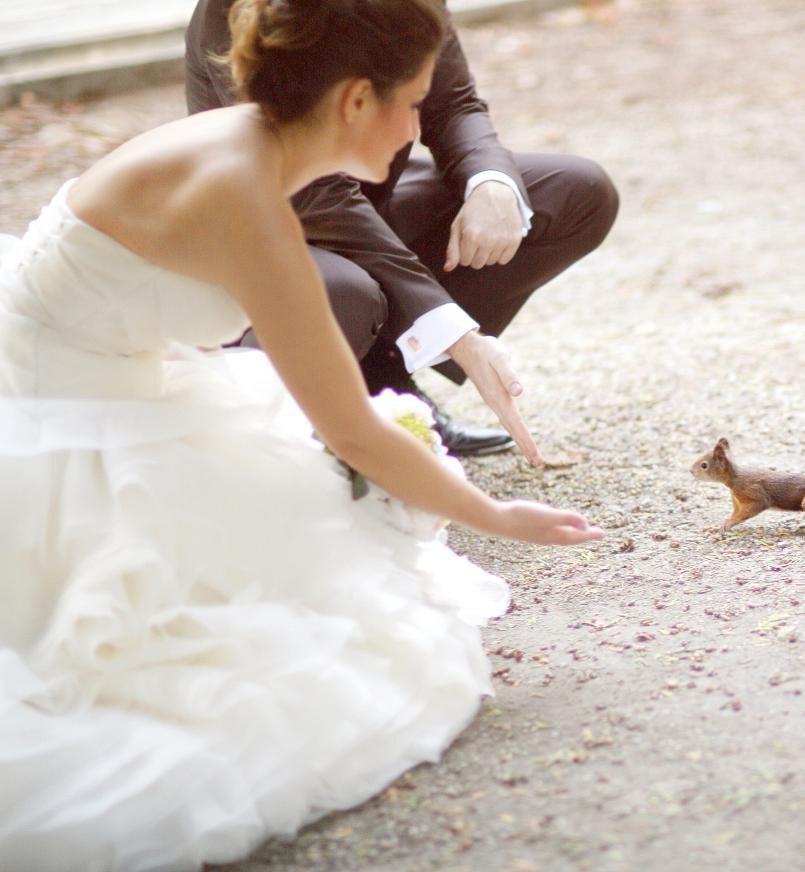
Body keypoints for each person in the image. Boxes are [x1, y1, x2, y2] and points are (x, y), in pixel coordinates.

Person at [0, 0, 603, 869]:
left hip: (130, 366)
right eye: (410, 105)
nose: (417, 129)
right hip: (55, 418)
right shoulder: (246, 198)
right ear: (357, 101)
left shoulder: (258, 145)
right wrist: (496, 516)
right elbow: (353, 430)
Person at [186, 0, 620, 464]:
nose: (414, 129)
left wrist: (488, 182)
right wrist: (455, 333)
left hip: (368, 200)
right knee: (346, 290)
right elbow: (307, 186)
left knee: (575, 191)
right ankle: (279, 430)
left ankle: (383, 375)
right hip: (268, 226)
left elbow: (450, 102)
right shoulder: (241, 10)